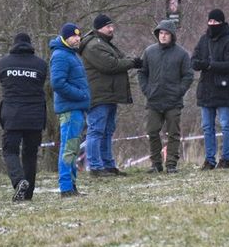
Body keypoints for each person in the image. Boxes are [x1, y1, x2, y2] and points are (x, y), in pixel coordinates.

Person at [79, 14, 139, 177]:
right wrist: (133, 63)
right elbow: (111, 65)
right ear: (99, 28)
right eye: (108, 26)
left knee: (107, 131)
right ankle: (96, 167)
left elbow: (118, 60)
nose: (112, 29)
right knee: (96, 130)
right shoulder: (94, 45)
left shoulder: (104, 44)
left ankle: (108, 165)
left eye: (112, 26)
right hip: (99, 96)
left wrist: (130, 61)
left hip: (109, 95)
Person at [0, 32, 48, 202]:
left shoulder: (3, 63)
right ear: (30, 44)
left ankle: (19, 181)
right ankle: (28, 194)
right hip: (35, 116)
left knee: (10, 151)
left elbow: (3, 81)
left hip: (12, 115)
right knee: (30, 154)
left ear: (14, 44)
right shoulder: (41, 64)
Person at [139, 19, 194, 173]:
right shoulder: (149, 52)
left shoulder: (181, 54)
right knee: (152, 132)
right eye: (161, 33)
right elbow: (142, 73)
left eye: (166, 33)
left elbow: (188, 76)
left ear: (172, 35)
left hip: (173, 101)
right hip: (154, 100)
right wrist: (147, 90)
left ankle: (171, 164)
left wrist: (179, 91)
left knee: (173, 133)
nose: (163, 36)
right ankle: (156, 164)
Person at [192, 8, 229, 170]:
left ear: (222, 22)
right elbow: (194, 59)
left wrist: (209, 65)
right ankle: (209, 160)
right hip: (206, 89)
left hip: (223, 90)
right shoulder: (203, 40)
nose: (212, 24)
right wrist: (199, 64)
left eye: (215, 21)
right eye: (210, 21)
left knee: (225, 125)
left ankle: (225, 158)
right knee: (207, 127)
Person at [50, 23, 90, 197]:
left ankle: (72, 186)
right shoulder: (60, 56)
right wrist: (80, 95)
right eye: (74, 36)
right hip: (70, 109)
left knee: (73, 149)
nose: (77, 39)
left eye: (79, 36)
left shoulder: (71, 55)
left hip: (76, 109)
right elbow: (58, 83)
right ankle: (66, 188)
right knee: (68, 149)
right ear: (65, 38)